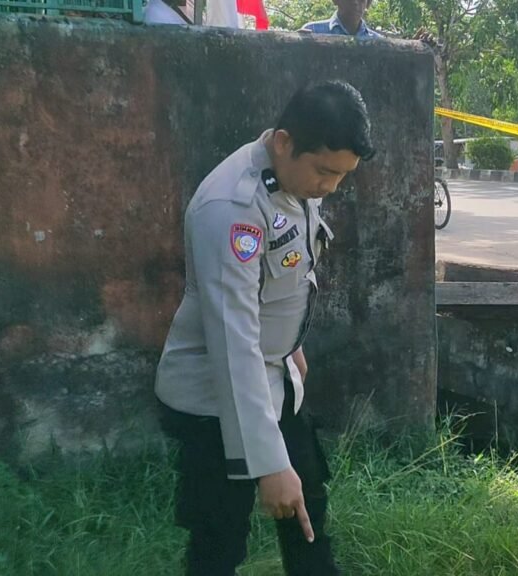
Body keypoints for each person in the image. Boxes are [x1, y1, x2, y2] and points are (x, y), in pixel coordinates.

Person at [155, 80, 376, 576]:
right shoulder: (231, 209)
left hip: (275, 378)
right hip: (215, 398)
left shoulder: (291, 179)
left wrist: (292, 345)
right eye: (325, 171)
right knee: (219, 540)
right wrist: (268, 464)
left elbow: (289, 270)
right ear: (283, 142)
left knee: (308, 509)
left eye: (342, 176)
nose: (330, 187)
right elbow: (233, 343)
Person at [299, 0, 382, 38]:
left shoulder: (378, 41)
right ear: (336, 1)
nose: (355, 2)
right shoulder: (313, 32)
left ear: (368, 3)